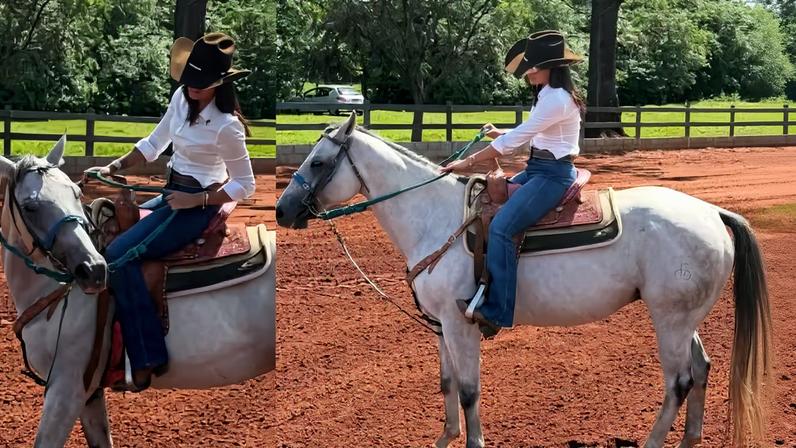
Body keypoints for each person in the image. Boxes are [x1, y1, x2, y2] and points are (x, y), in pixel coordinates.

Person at [84, 32, 256, 389]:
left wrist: (197, 202)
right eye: (189, 79)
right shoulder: (181, 98)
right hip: (172, 194)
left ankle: (147, 357)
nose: (192, 88)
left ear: (219, 83)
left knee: (118, 254)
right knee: (102, 229)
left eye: (200, 83)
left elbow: (246, 185)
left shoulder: (228, 127)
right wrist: (114, 167)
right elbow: (154, 143)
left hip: (197, 205)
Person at [441, 30, 584, 338]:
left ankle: (498, 311)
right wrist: (498, 134)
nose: (528, 71)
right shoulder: (548, 94)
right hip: (539, 169)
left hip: (552, 176)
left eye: (533, 66)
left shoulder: (556, 99)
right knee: (485, 203)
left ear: (551, 66)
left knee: (503, 226)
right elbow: (529, 133)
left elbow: (518, 139)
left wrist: (466, 163)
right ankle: (486, 284)